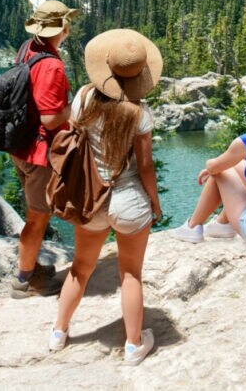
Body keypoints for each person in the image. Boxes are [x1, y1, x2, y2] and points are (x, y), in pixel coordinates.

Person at [48, 28, 162, 366]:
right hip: (129, 202)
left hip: (91, 199)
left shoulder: (83, 97)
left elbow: (74, 134)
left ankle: (59, 332)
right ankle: (133, 345)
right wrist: (154, 203)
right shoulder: (140, 114)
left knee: (80, 269)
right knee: (131, 275)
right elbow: (145, 167)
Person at [172, 79, 246, 248]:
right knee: (234, 166)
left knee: (220, 173)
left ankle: (193, 226)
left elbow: (214, 167)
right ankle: (222, 223)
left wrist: (210, 167)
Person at [9, 0, 78, 298]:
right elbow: (50, 118)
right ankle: (24, 281)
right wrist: (73, 110)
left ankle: (31, 266)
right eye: (67, 22)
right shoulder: (51, 65)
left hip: (20, 145)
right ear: (63, 27)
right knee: (38, 217)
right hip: (39, 153)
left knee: (36, 213)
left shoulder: (28, 48)